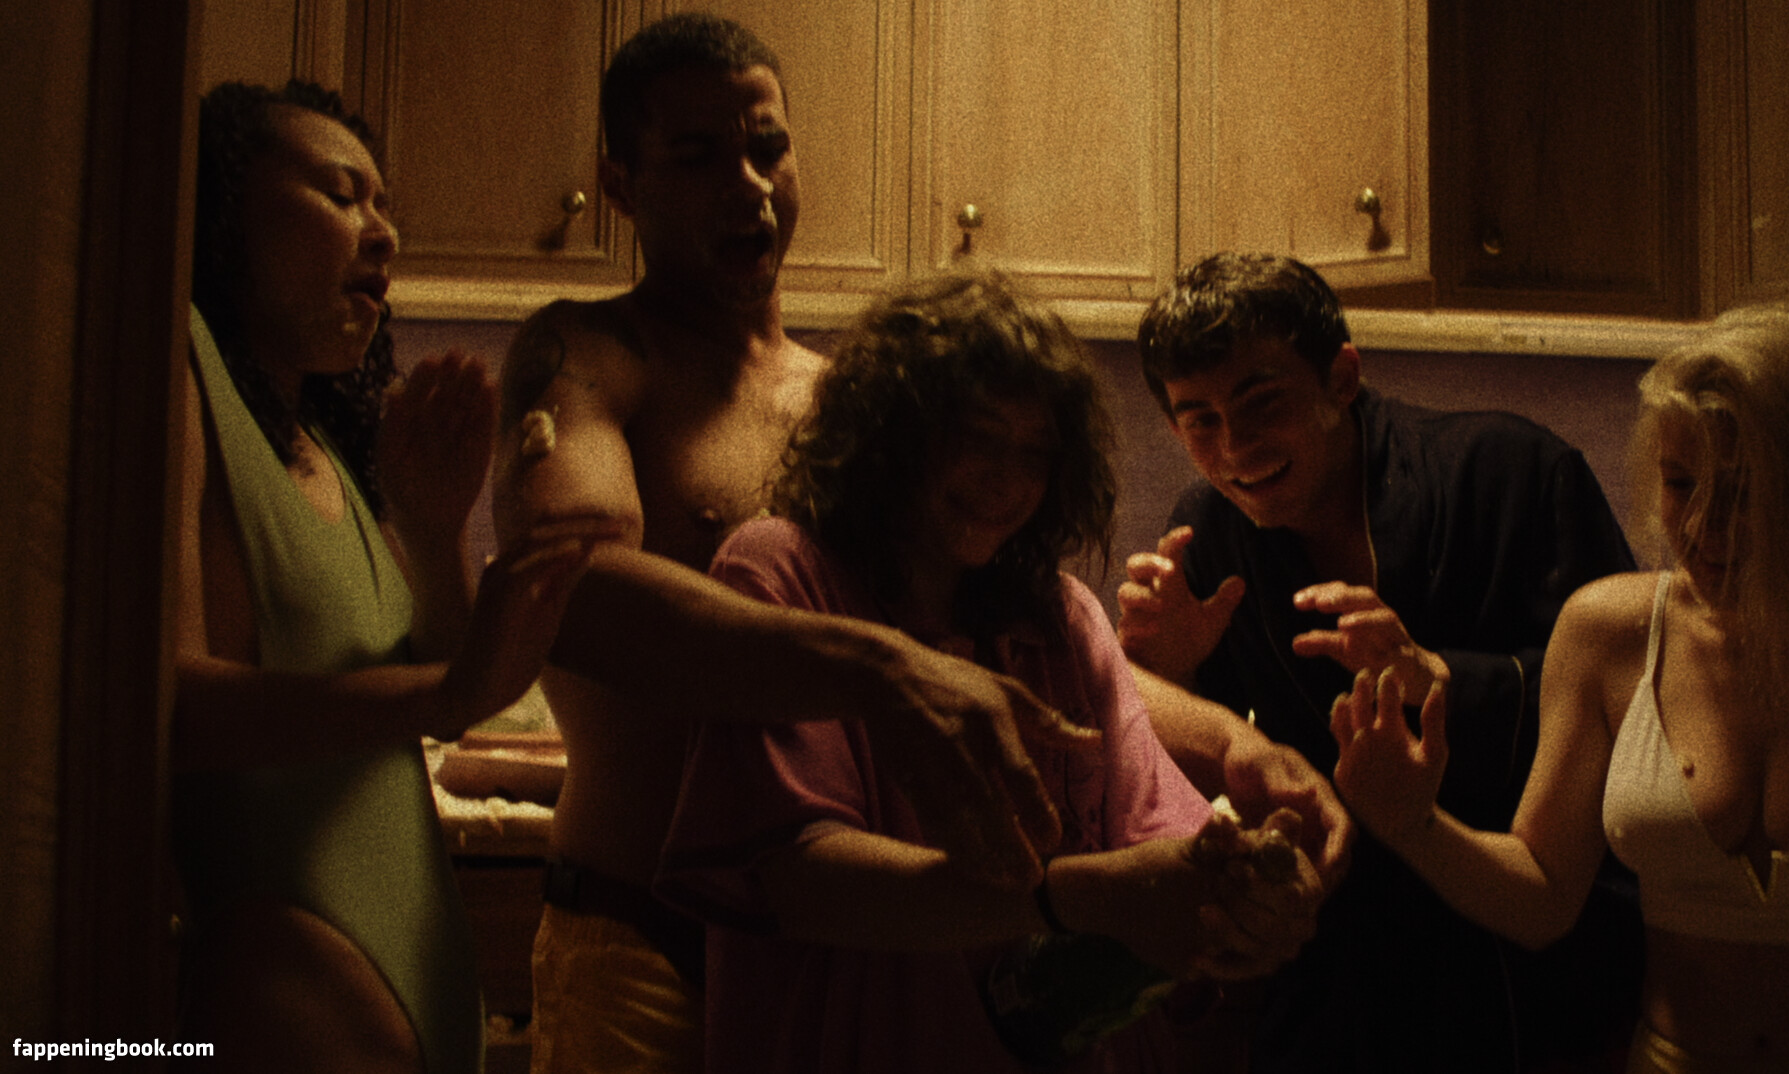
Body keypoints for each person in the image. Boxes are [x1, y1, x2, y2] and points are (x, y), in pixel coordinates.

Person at [491, 16, 1107, 1074]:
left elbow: (999, 638)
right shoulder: (590, 356)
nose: (749, 186)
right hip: (643, 944)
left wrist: (1227, 744)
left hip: (821, 953)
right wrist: (881, 669)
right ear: (621, 183)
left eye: (767, 148)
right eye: (697, 156)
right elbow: (574, 592)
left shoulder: (847, 400)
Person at [656, 269, 1322, 1074]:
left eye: (1034, 453)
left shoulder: (1060, 618)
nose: (1007, 480)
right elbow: (801, 880)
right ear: (891, 432)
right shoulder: (781, 573)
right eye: (976, 438)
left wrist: (1236, 894)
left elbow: (1157, 837)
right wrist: (1073, 895)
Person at [1331, 304, 1789, 1072]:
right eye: (1681, 484)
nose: (1704, 527)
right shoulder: (1610, 633)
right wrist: (1414, 824)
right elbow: (1543, 896)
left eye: (1744, 491)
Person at [172, 81, 610, 1072]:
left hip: (413, 983)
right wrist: (453, 690)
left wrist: (433, 524)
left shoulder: (324, 446)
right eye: (341, 195)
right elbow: (177, 712)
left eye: (384, 205)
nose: (385, 234)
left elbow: (433, 672)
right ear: (225, 210)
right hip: (286, 985)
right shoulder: (180, 368)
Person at [1118, 252, 1642, 1070]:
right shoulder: (1210, 532)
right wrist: (1171, 671)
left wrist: (1441, 680)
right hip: (1339, 964)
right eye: (1200, 420)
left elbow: (1636, 703)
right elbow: (1206, 771)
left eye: (1261, 402)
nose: (1235, 446)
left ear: (1342, 379)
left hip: (1525, 947)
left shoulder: (1511, 470)